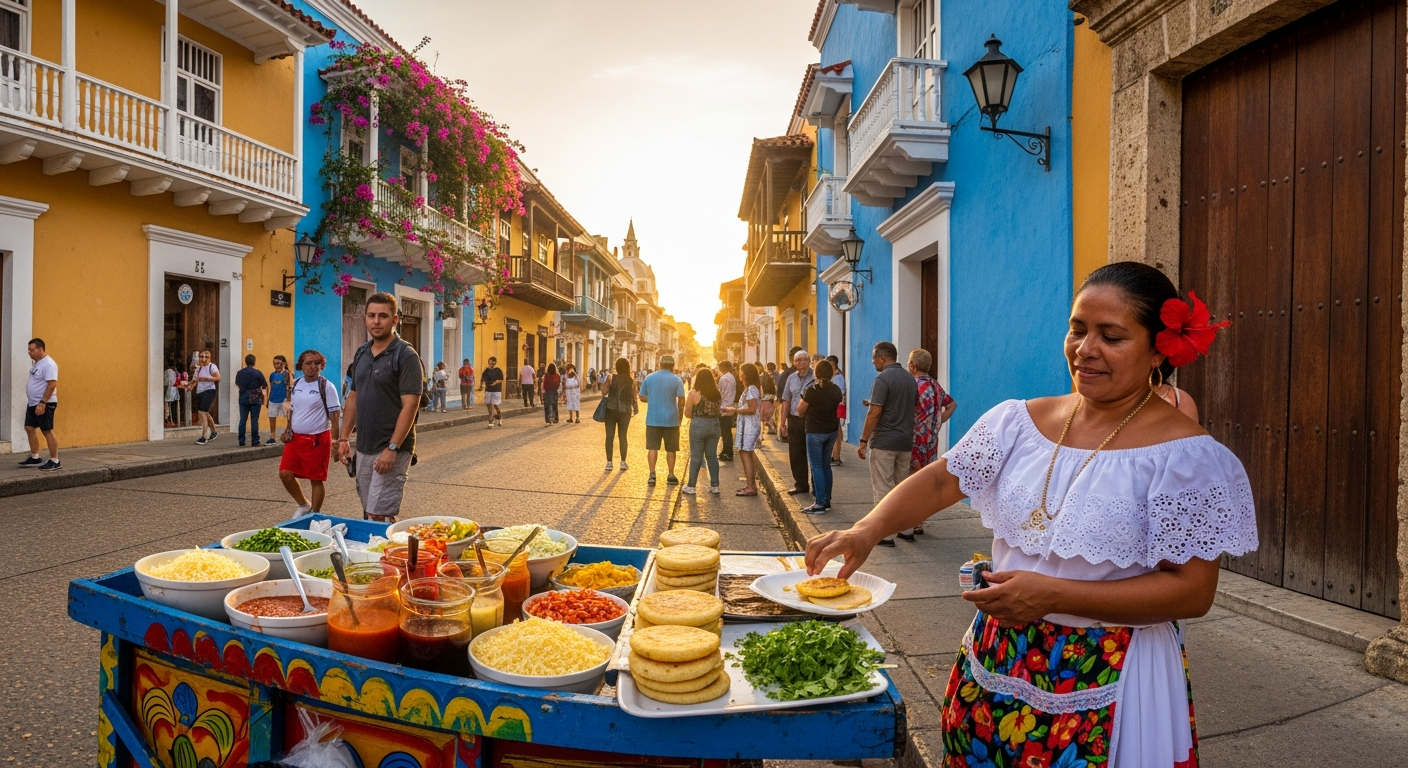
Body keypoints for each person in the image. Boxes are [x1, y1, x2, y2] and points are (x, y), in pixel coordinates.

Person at [805, 261, 1250, 768]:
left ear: (1157, 349)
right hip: (997, 656)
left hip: (1115, 669)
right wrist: (867, 529)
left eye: (1112, 336)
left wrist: (1050, 595)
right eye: (1078, 329)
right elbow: (942, 479)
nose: (1085, 349)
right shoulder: (1019, 422)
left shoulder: (1187, 457)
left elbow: (1192, 591)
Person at [337, 292, 423, 523]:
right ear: (365, 318)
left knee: (380, 513)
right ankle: (382, 553)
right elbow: (353, 397)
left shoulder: (405, 355)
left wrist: (392, 448)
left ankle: (392, 557)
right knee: (369, 511)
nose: (376, 321)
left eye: (383, 316)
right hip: (364, 445)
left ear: (395, 320)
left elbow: (410, 405)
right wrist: (344, 439)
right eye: (371, 315)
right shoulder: (362, 353)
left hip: (392, 446)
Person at [855, 341, 916, 547]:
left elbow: (875, 411)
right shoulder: (910, 379)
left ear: (883, 357)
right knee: (902, 488)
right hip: (905, 441)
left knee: (882, 486)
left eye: (874, 358)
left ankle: (884, 534)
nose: (873, 362)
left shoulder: (883, 379)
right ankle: (906, 530)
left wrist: (863, 440)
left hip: (885, 441)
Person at [902, 348, 957, 540]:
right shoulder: (935, 386)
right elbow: (951, 405)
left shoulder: (914, 386)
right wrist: (938, 421)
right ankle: (919, 521)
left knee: (912, 481)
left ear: (912, 365)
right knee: (925, 482)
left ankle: (912, 522)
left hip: (915, 440)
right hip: (931, 441)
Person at [278, 349, 341, 514]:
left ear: (321, 365)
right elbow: (292, 408)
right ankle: (303, 505)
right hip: (295, 440)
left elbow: (335, 415)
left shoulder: (326, 386)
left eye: (317, 363)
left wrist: (336, 442)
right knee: (285, 473)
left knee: (316, 479)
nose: (313, 367)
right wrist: (288, 427)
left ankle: (314, 513)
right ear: (301, 366)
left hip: (318, 439)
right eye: (308, 363)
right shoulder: (297, 384)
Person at [797, 359, 843, 514]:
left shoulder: (812, 390)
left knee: (816, 467)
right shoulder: (836, 389)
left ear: (816, 373)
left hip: (815, 431)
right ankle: (826, 499)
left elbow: (800, 410)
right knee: (825, 466)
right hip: (831, 431)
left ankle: (819, 503)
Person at [639, 355, 686, 485]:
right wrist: (680, 418)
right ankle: (670, 474)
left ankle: (652, 474)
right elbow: (681, 400)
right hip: (671, 419)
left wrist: (653, 399)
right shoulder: (677, 380)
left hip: (653, 419)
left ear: (660, 365)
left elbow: (641, 397)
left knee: (652, 448)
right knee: (671, 448)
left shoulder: (649, 378)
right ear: (672, 366)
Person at [779, 349, 816, 496]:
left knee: (813, 453)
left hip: (811, 419)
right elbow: (786, 400)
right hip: (794, 419)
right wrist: (782, 422)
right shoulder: (790, 378)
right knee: (796, 453)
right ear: (794, 362)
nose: (801, 362)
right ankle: (801, 485)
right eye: (798, 360)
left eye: (804, 359)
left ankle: (816, 485)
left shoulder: (815, 376)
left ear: (809, 361)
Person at [20, 338, 60, 471]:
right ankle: (35, 457)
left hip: (44, 403)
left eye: (32, 350)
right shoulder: (37, 363)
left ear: (40, 349)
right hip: (33, 402)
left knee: (47, 430)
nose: (29, 352)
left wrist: (43, 402)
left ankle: (55, 460)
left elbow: (52, 384)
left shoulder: (48, 364)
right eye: (28, 349)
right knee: (29, 427)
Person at [682, 368, 722, 495]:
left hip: (698, 425)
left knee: (696, 456)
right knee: (712, 456)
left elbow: (687, 414)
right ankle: (715, 486)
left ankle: (691, 486)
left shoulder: (693, 393)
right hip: (714, 425)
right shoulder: (717, 393)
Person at [724, 363, 762, 496]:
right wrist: (735, 408)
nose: (739, 374)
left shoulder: (751, 389)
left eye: (740, 371)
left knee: (745, 453)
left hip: (750, 426)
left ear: (745, 374)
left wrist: (735, 410)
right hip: (748, 425)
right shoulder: (751, 388)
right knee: (746, 453)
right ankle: (750, 485)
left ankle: (751, 487)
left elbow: (751, 409)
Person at [603, 357, 638, 470]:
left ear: (617, 367)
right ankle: (623, 462)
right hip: (625, 411)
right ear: (628, 367)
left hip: (610, 410)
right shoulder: (631, 380)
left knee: (609, 436)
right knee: (623, 436)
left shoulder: (611, 377)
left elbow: (604, 392)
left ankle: (609, 463)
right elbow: (634, 396)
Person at [234, 354, 267, 447]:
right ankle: (255, 441)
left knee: (242, 420)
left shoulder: (240, 373)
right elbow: (264, 384)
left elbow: (237, 383)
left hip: (243, 397)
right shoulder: (258, 373)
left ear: (246, 361)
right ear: (254, 362)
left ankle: (241, 440)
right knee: (254, 420)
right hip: (255, 399)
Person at [189, 349, 221, 445]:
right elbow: (194, 381)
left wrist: (205, 378)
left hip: (209, 391)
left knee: (202, 412)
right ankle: (214, 431)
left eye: (206, 357)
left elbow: (218, 378)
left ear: (209, 358)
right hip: (200, 391)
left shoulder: (212, 366)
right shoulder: (198, 369)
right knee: (205, 412)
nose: (203, 359)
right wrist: (188, 386)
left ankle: (204, 436)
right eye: (202, 356)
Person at [775, 346, 804, 443]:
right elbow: (783, 400)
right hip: (796, 417)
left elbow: (781, 399)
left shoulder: (785, 375)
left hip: (796, 416)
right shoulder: (787, 376)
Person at [265, 355, 291, 445]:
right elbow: (271, 387)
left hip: (283, 400)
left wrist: (288, 400)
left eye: (278, 363)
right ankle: (272, 436)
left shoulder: (287, 374)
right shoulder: (272, 375)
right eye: (274, 363)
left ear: (284, 363)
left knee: (289, 418)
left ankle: (289, 434)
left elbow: (290, 387)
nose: (276, 365)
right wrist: (268, 399)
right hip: (273, 399)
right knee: (272, 417)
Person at [716, 361, 737, 462]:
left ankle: (727, 452)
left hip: (724, 407)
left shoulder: (724, 379)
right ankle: (726, 451)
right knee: (727, 431)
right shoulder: (731, 377)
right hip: (730, 405)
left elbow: (720, 393)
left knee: (725, 432)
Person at [828, 354, 846, 466]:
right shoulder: (833, 376)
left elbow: (840, 392)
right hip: (833, 406)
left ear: (834, 363)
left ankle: (836, 456)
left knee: (837, 432)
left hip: (837, 406)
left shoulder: (838, 377)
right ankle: (834, 455)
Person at [481, 356, 504, 427]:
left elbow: (501, 379)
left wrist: (496, 382)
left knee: (495, 404)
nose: (491, 364)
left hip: (496, 390)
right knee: (488, 404)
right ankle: (491, 419)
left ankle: (499, 416)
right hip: (488, 389)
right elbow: (482, 378)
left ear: (495, 363)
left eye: (492, 363)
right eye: (489, 363)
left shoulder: (498, 370)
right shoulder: (486, 370)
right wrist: (480, 385)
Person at [758, 367, 777, 436]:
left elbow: (762, 388)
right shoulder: (767, 377)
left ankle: (772, 428)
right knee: (767, 416)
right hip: (769, 398)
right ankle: (771, 429)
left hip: (765, 398)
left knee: (765, 416)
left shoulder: (762, 377)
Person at [164, 358, 180, 428]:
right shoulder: (174, 372)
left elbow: (165, 382)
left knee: (167, 405)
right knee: (172, 405)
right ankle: (173, 419)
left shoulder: (166, 372)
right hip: (174, 390)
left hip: (168, 390)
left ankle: (167, 418)